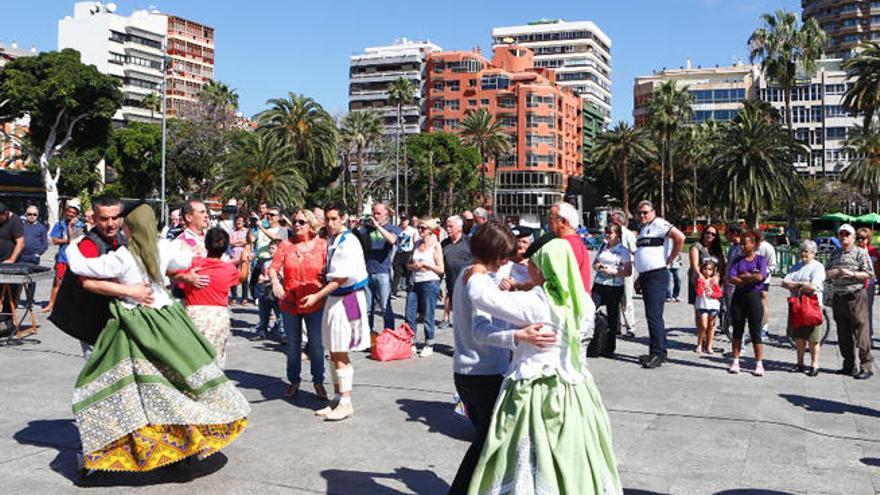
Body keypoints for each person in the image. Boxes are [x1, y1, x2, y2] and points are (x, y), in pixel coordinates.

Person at [64, 203, 250, 472]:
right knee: (173, 380)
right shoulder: (163, 249)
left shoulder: (124, 257)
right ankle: (182, 441)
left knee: (126, 385)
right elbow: (185, 259)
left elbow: (81, 266)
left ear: (129, 228)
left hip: (134, 326)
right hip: (168, 322)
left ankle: (120, 449)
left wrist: (74, 243)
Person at [466, 238, 621, 495]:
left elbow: (482, 298)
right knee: (576, 452)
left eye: (533, 264)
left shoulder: (537, 303)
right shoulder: (584, 301)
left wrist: (476, 272)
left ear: (542, 269)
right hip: (577, 389)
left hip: (536, 390)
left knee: (527, 456)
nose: (528, 267)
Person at [448, 221, 556, 494]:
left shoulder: (468, 274)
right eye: (504, 255)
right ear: (495, 254)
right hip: (484, 372)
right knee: (487, 443)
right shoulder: (479, 283)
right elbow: (482, 330)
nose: (507, 260)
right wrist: (518, 336)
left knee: (487, 441)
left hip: (467, 371)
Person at [299, 205, 370, 421]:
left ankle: (346, 401)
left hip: (347, 298)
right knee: (333, 350)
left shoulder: (348, 242)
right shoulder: (333, 240)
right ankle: (338, 398)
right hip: (335, 298)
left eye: (333, 219)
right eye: (327, 219)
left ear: (343, 219)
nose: (329, 223)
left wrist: (316, 296)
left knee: (341, 350)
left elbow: (340, 279)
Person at [269, 209, 328, 399]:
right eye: (295, 221)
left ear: (311, 225)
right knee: (293, 344)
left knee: (317, 345)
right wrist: (276, 281)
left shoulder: (322, 246)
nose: (297, 225)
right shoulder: (286, 245)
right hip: (290, 302)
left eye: (302, 222)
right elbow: (273, 268)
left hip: (315, 301)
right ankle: (294, 380)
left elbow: (331, 272)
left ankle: (318, 381)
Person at [182, 228, 251, 368]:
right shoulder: (228, 269)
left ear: (206, 245)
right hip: (218, 316)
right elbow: (242, 277)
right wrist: (245, 260)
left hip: (194, 314)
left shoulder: (192, 264)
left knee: (192, 357)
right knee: (215, 357)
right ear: (226, 248)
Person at [634, 200, 685, 369]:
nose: (642, 215)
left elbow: (680, 237)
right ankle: (657, 350)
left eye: (646, 212)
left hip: (657, 275)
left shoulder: (659, 224)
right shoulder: (643, 230)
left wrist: (671, 257)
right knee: (651, 315)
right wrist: (639, 277)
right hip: (647, 275)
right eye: (640, 213)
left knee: (654, 315)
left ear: (653, 212)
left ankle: (658, 353)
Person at [827, 223, 875, 379]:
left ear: (853, 237)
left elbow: (869, 274)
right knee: (843, 333)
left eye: (847, 234)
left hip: (855, 296)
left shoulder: (860, 253)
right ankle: (849, 365)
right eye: (841, 234)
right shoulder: (835, 253)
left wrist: (850, 273)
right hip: (838, 297)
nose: (844, 237)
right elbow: (826, 273)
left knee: (861, 331)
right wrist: (831, 273)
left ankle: (866, 366)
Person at [782, 240, 826, 377]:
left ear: (813, 253)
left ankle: (814, 364)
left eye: (806, 251)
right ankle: (799, 363)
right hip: (797, 304)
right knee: (799, 336)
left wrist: (795, 285)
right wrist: (802, 284)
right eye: (802, 251)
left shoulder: (818, 267)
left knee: (813, 337)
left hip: (812, 305)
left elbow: (813, 286)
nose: (803, 254)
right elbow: (784, 282)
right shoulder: (796, 266)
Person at [727, 231, 768, 376]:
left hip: (754, 297)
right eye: (741, 243)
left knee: (755, 331)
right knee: (737, 330)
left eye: (745, 243)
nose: (742, 246)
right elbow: (731, 278)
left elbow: (761, 276)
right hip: (738, 297)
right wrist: (750, 278)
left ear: (754, 244)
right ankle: (736, 361)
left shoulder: (760, 259)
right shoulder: (737, 260)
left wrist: (744, 277)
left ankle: (758, 364)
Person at [357, 202, 400, 341]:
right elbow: (355, 236)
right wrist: (357, 225)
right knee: (368, 309)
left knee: (385, 308)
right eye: (373, 213)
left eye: (378, 213)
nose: (375, 216)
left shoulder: (391, 228)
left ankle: (389, 337)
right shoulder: (367, 228)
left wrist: (378, 227)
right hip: (367, 272)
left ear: (386, 214)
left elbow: (393, 240)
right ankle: (368, 338)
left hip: (382, 273)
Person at [591, 223, 633, 358]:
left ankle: (609, 348)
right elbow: (595, 262)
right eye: (606, 232)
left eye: (611, 233)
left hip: (614, 286)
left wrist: (614, 271)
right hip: (599, 283)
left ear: (618, 235)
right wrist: (597, 266)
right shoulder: (603, 246)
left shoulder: (623, 250)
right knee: (591, 310)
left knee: (612, 316)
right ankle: (593, 343)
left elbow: (628, 271)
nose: (607, 235)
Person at [405, 219, 444, 357]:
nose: (420, 230)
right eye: (419, 228)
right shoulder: (416, 244)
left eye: (423, 228)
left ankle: (429, 343)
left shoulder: (436, 245)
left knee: (428, 314)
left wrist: (427, 265)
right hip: (414, 282)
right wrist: (413, 266)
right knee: (410, 314)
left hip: (429, 282)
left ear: (430, 230)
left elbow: (440, 269)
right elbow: (408, 264)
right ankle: (411, 341)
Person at [44, 199, 84, 313]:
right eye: (69, 211)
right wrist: (66, 240)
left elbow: (74, 241)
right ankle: (51, 304)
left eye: (73, 213)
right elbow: (54, 240)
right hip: (62, 257)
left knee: (74, 283)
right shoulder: (60, 224)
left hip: (75, 259)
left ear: (77, 214)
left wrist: (70, 230)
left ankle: (70, 306)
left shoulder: (80, 225)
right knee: (57, 281)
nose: (71, 214)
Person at [688, 226, 725, 349]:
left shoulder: (717, 250)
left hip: (713, 284)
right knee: (699, 311)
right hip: (697, 282)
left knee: (712, 313)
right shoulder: (696, 246)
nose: (710, 236)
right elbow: (694, 265)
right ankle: (701, 339)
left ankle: (709, 342)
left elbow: (722, 266)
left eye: (713, 234)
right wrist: (702, 279)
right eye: (708, 233)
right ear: (703, 233)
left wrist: (718, 276)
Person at [549, 201, 592, 294]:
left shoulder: (567, 244)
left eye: (551, 219)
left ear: (563, 222)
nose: (548, 224)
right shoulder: (574, 241)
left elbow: (559, 278)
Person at [442, 215, 474, 328]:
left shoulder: (469, 242)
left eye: (451, 226)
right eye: (446, 226)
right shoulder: (444, 244)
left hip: (468, 286)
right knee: (459, 321)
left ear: (459, 228)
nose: (447, 229)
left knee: (468, 320)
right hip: (451, 286)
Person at [611, 210, 638, 337]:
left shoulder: (628, 235)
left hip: (626, 268)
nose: (610, 222)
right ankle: (616, 326)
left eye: (612, 220)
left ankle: (630, 327)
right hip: (612, 269)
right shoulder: (611, 234)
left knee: (626, 298)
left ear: (619, 221)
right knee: (614, 299)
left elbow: (634, 251)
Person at [0, 201, 25, 333]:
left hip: (11, 264)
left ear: (5, 214)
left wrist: (12, 259)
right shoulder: (1, 219)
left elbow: (20, 242)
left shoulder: (15, 221)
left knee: (10, 294)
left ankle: (7, 324)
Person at [251, 239, 283, 341]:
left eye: (273, 248)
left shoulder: (282, 262)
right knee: (263, 312)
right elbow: (262, 272)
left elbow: (282, 276)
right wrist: (261, 277)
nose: (270, 250)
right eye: (269, 248)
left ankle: (283, 333)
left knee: (280, 313)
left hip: (277, 291)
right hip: (264, 291)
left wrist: (269, 279)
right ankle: (262, 331)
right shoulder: (266, 261)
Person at [19, 205, 48, 305]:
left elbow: (45, 244)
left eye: (34, 214)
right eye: (29, 214)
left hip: (33, 258)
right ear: (26, 215)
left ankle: (29, 301)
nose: (32, 216)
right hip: (21, 256)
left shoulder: (42, 228)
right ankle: (14, 299)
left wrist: (38, 254)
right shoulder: (21, 226)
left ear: (37, 216)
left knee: (32, 280)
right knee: (18, 280)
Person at [694, 259, 722, 354]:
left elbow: (719, 294)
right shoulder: (700, 280)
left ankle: (709, 346)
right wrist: (701, 283)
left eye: (710, 269)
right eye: (705, 269)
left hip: (713, 305)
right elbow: (698, 292)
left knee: (711, 325)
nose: (707, 271)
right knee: (703, 326)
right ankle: (700, 344)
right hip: (702, 305)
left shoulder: (714, 281)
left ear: (713, 271)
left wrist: (712, 293)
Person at [856, 227, 879, 341]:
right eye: (858, 238)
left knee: (867, 310)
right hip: (855, 284)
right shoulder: (853, 250)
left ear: (868, 239)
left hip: (869, 284)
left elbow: (878, 269)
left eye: (863, 238)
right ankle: (857, 335)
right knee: (856, 310)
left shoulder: (873, 251)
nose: (860, 241)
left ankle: (868, 336)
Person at [755, 230, 777, 339]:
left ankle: (764, 328)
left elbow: (772, 265)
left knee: (763, 299)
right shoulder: (750, 245)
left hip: (763, 279)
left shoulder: (768, 248)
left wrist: (762, 272)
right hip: (750, 278)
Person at [392, 215, 418, 298]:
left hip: (408, 253)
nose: (403, 222)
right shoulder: (398, 230)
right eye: (402, 220)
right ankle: (393, 291)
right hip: (399, 253)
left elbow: (415, 243)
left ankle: (410, 291)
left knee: (408, 274)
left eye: (405, 220)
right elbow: (394, 240)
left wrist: (413, 254)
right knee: (397, 272)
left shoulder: (413, 231)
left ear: (408, 221)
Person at [228, 215, 251, 305]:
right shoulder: (231, 231)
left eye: (240, 220)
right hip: (233, 257)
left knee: (244, 277)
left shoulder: (246, 231)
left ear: (244, 222)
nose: (238, 222)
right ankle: (234, 297)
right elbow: (230, 242)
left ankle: (244, 298)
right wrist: (240, 242)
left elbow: (247, 241)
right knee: (233, 277)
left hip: (243, 256)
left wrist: (236, 243)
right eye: (237, 220)